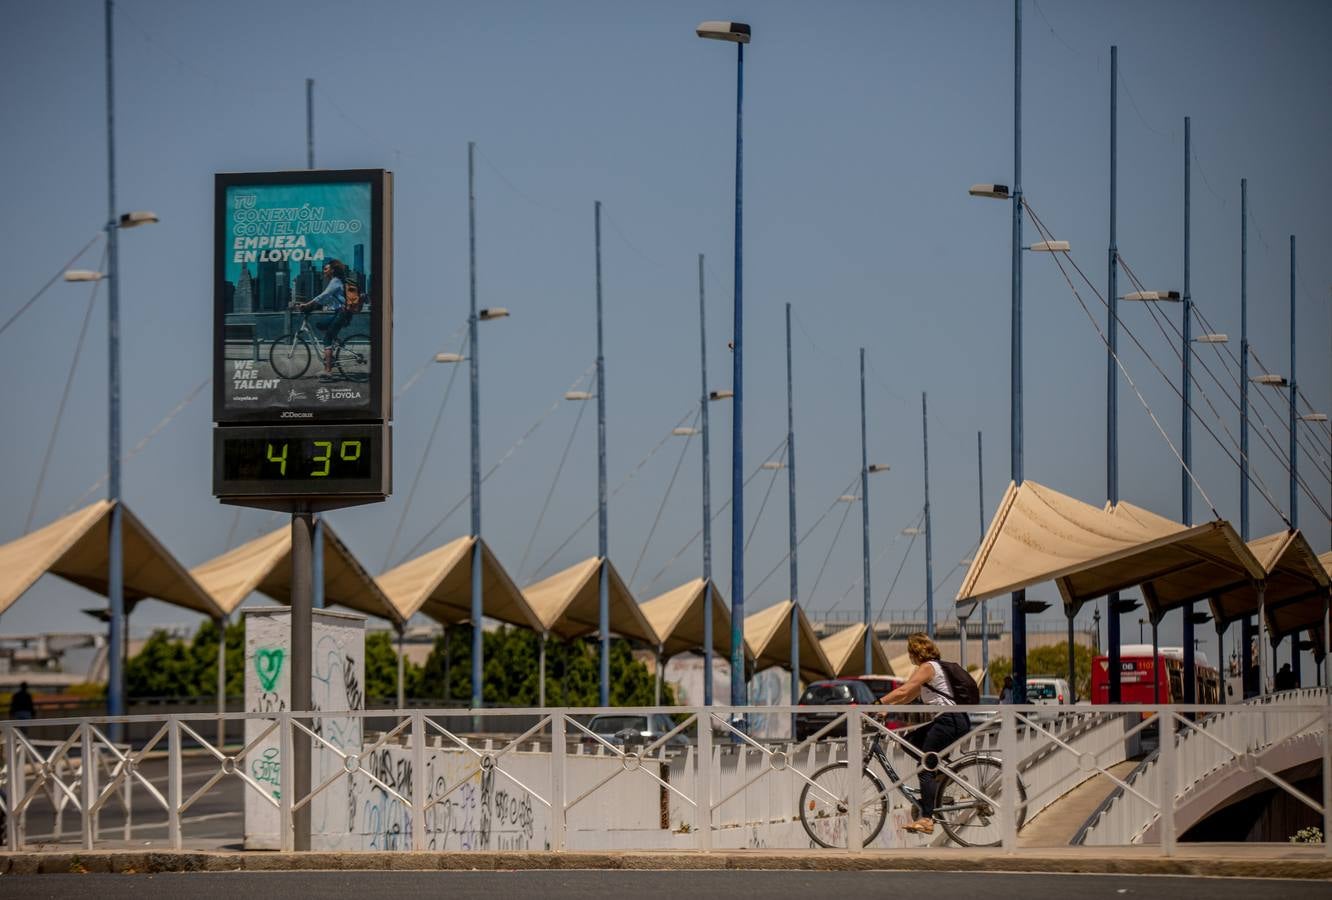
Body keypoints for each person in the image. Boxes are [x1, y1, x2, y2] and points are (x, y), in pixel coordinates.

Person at [879, 633, 973, 835]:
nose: (909, 656)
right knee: (909, 742)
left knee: (925, 766)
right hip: (951, 720)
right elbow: (908, 696)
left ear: (915, 651)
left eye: (910, 652)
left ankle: (927, 819)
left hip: (950, 721)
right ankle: (938, 775)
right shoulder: (931, 669)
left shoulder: (928, 667)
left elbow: (904, 691)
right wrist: (887, 709)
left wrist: (878, 703)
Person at [294, 259, 351, 376]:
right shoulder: (334, 281)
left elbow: (323, 296)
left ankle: (328, 371)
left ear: (333, 270)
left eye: (326, 269)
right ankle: (334, 343)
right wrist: (312, 307)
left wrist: (307, 304)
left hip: (342, 313)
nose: (324, 271)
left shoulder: (335, 281)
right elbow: (325, 300)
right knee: (321, 325)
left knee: (326, 339)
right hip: (339, 313)